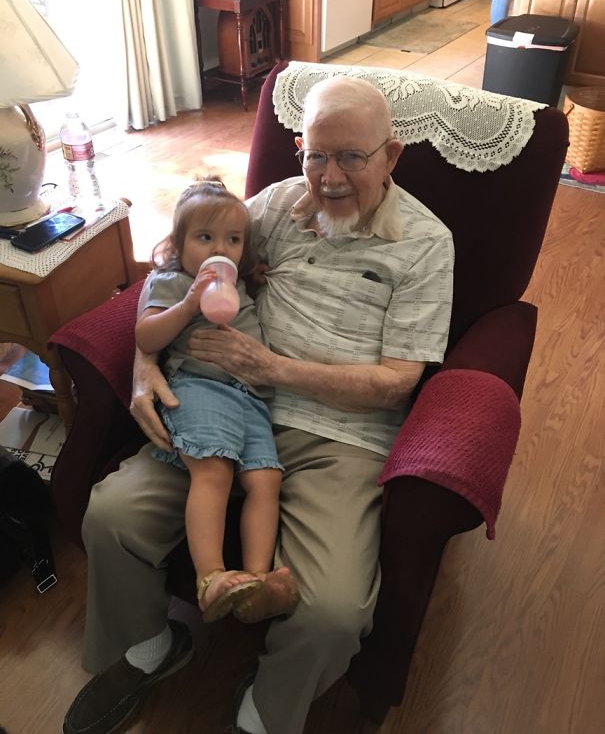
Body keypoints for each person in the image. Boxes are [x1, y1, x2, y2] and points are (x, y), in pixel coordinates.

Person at [63, 75, 454, 734]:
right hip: (221, 403)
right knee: (112, 514)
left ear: (390, 155)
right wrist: (142, 364)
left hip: (339, 434)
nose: (327, 179)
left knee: (331, 609)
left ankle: (263, 711)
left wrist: (272, 365)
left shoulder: (424, 244)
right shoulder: (272, 207)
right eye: (314, 154)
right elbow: (184, 273)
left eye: (350, 158)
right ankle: (150, 647)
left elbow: (396, 381)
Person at [134, 180, 299, 624]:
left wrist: (253, 278)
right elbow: (146, 336)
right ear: (177, 244)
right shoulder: (172, 282)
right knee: (214, 471)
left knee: (265, 482)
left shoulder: (239, 284)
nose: (218, 249)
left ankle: (255, 582)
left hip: (252, 398)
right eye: (204, 238)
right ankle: (210, 579)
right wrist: (188, 305)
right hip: (200, 387)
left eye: (232, 240)